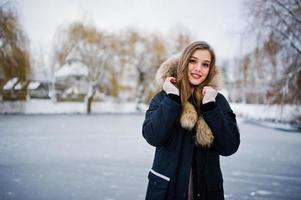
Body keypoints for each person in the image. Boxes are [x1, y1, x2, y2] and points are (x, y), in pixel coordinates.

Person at [142, 41, 240, 200]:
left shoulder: (217, 101)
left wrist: (210, 109)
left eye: (205, 64)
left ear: (210, 69)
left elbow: (230, 147)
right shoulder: (164, 97)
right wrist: (173, 99)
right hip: (166, 191)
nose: (198, 68)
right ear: (184, 62)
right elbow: (153, 136)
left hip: (207, 191)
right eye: (193, 61)